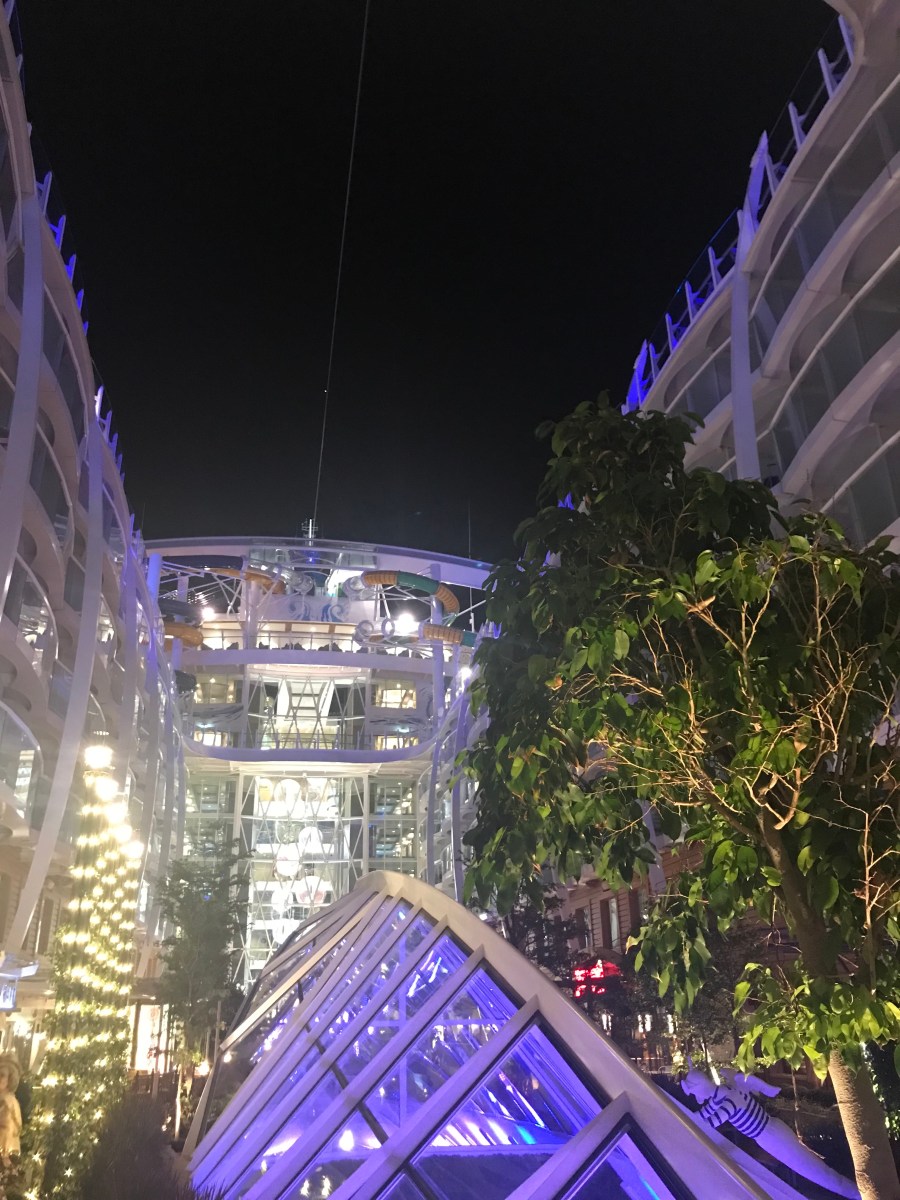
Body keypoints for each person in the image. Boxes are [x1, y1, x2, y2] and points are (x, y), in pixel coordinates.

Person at [681, 1065, 859, 1199]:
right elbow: (701, 1116)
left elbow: (711, 1122)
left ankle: (860, 1195)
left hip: (772, 1136)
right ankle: (858, 1194)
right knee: (815, 1171)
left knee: (817, 1173)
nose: (695, 1096)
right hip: (769, 1135)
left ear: (699, 1087)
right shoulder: (722, 1092)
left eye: (693, 1091)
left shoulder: (730, 1098)